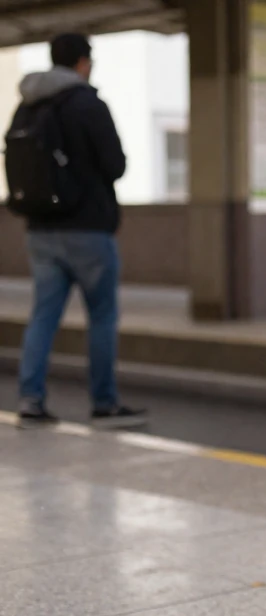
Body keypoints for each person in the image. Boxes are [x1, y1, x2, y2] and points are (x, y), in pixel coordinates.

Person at [9, 33, 146, 430]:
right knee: (101, 316)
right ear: (83, 62)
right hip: (87, 228)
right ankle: (104, 402)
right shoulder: (87, 104)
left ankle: (31, 399)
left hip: (40, 228)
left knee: (43, 316)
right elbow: (115, 165)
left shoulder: (27, 105)